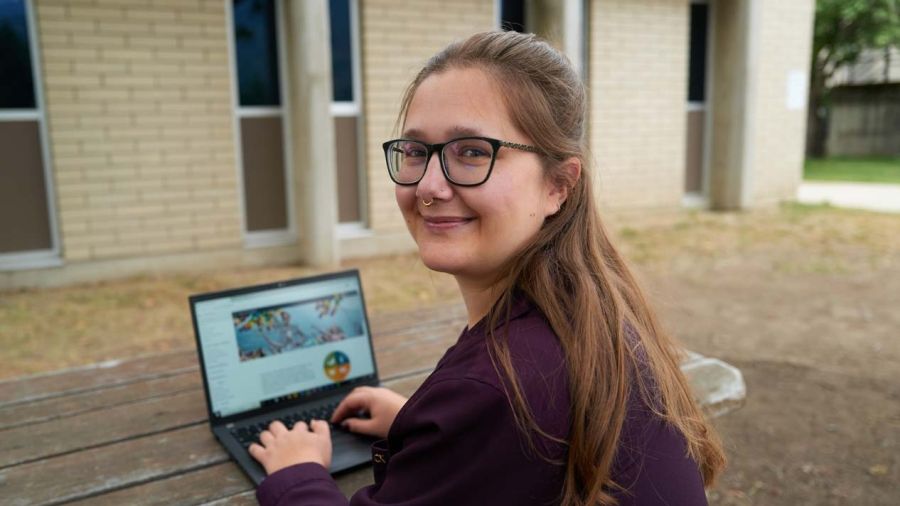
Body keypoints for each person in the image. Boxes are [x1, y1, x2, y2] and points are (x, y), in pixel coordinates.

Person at [248, 30, 726, 505]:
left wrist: (298, 472)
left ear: (558, 185)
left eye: (472, 151)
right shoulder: (590, 311)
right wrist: (423, 425)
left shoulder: (495, 389)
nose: (429, 186)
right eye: (416, 152)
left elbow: (501, 413)